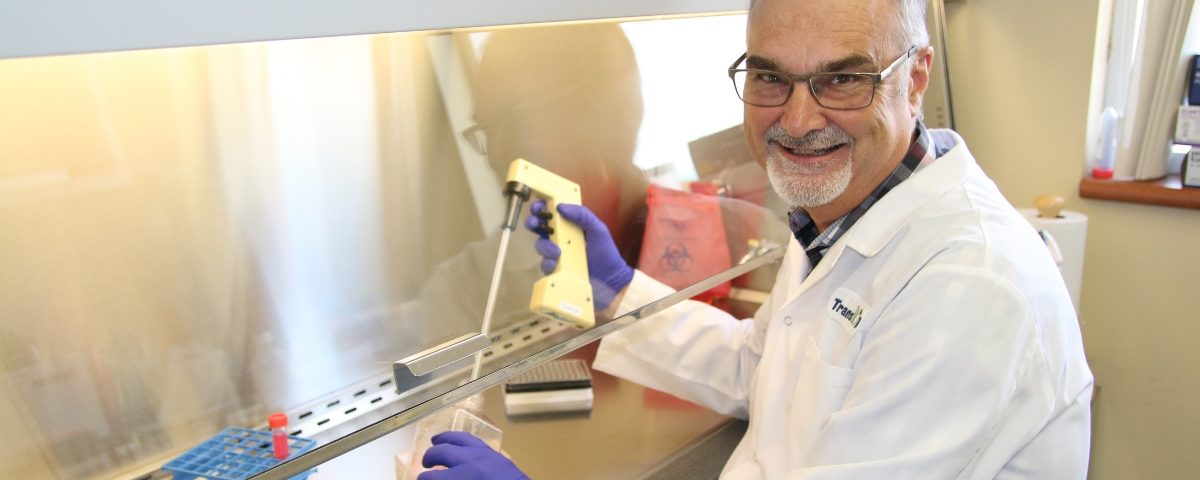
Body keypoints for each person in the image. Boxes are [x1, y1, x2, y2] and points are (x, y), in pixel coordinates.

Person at [426, 0, 1095, 478]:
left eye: (842, 79)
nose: (798, 120)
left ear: (915, 79)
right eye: (771, 77)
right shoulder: (841, 211)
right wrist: (620, 290)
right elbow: (764, 367)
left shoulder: (968, 286)